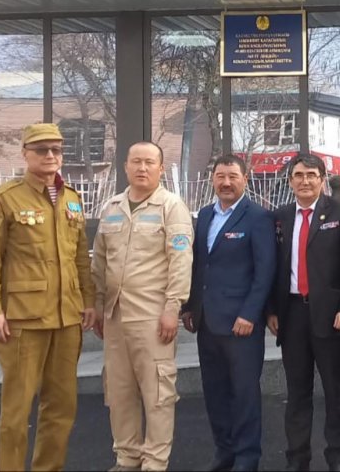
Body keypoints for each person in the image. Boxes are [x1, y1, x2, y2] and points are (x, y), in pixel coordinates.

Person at [0, 122, 96, 472]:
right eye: (42, 150)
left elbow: (79, 256)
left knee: (62, 407)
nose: (50, 156)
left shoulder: (72, 198)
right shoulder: (5, 198)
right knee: (16, 410)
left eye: (56, 150)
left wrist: (88, 300)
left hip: (67, 317)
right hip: (23, 320)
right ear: (25, 153)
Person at [91, 142, 193, 472]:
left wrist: (173, 307)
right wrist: (97, 305)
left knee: (157, 393)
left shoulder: (171, 207)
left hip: (152, 316)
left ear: (161, 168)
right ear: (125, 166)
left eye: (150, 162)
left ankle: (154, 463)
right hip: (115, 316)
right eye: (136, 161)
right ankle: (127, 457)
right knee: (119, 391)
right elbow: (99, 261)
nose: (142, 168)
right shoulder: (112, 207)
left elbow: (181, 261)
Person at [268, 153, 340, 472]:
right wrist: (272, 310)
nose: (305, 181)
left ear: (322, 179)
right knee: (297, 393)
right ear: (290, 181)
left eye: (311, 175)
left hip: (331, 316)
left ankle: (337, 457)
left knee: (335, 392)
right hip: (292, 315)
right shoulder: (280, 216)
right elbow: (273, 268)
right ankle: (297, 459)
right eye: (298, 175)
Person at [182, 154, 277, 472]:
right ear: (212, 179)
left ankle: (247, 458)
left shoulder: (258, 217)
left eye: (233, 176)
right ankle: (224, 452)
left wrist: (250, 314)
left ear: (245, 180)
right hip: (207, 322)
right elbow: (199, 265)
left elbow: (265, 271)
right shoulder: (205, 215)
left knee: (244, 394)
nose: (226, 182)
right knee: (215, 393)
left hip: (241, 324)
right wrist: (190, 306)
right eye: (220, 176)